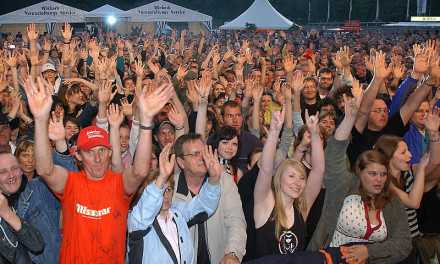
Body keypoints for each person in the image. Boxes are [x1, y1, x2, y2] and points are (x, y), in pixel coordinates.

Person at [25, 75, 173, 263]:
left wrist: (145, 120)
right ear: (78, 156)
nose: (97, 158)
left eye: (102, 150)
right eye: (89, 152)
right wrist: (39, 119)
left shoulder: (118, 183)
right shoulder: (71, 182)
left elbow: (140, 171)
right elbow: (45, 169)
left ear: (110, 152)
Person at [127, 143, 221, 264]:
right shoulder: (136, 219)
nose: (165, 195)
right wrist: (161, 178)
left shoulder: (178, 213)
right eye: (160, 191)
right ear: (147, 194)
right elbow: (145, 211)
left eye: (168, 190)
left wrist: (214, 179)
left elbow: (204, 205)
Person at [253, 108, 324, 257]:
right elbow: (266, 170)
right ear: (279, 178)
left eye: (301, 178)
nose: (297, 183)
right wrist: (273, 133)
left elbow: (318, 170)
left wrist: (315, 135)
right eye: (291, 176)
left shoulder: (302, 209)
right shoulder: (265, 204)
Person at [172, 133, 246, 264]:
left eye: (204, 152)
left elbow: (236, 222)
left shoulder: (225, 182)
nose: (202, 158)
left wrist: (233, 253)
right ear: (180, 162)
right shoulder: (170, 189)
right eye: (194, 154)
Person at [0, 152, 45, 263]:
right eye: (3, 172)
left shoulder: (34, 193)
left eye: (14, 168)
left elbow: (37, 245)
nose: (11, 175)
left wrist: (7, 213)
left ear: (21, 171)